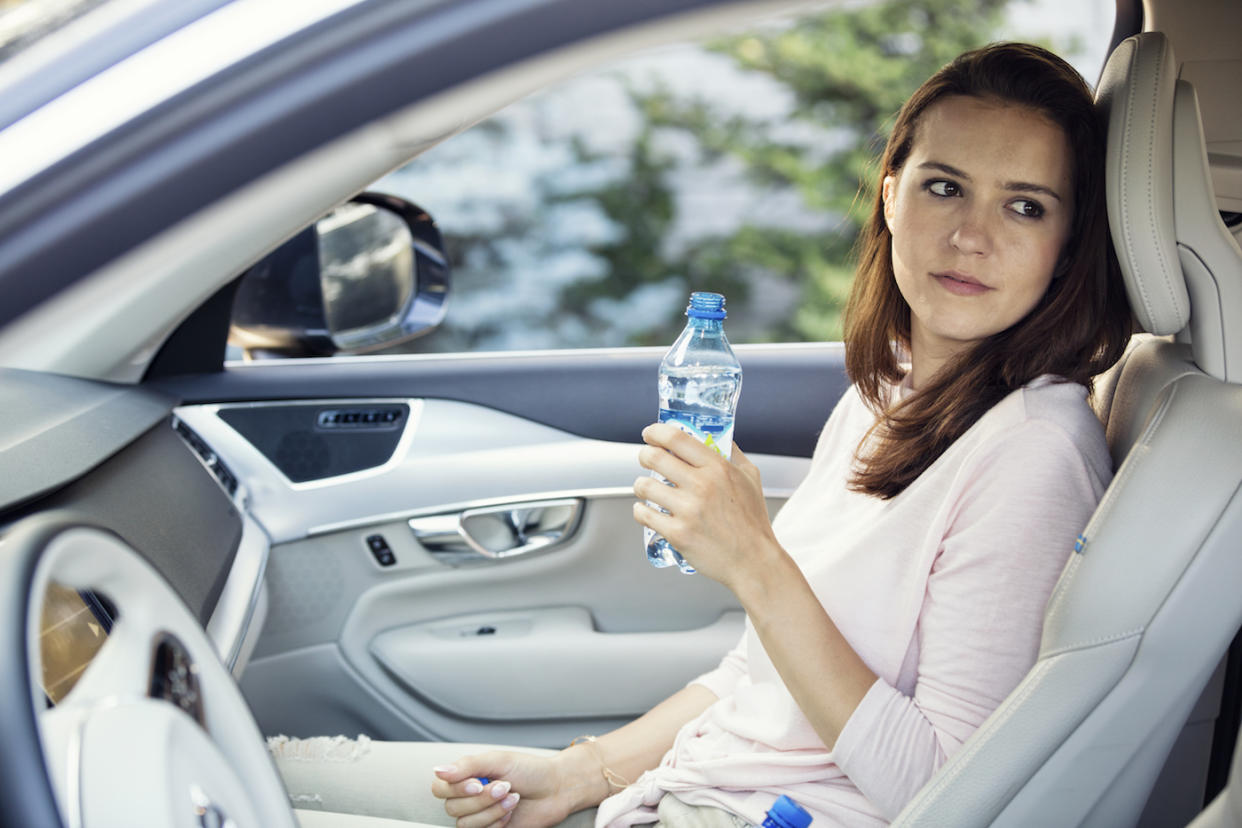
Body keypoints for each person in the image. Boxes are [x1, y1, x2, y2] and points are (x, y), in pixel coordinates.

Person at [269, 41, 1131, 828]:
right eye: (945, 186)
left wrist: (755, 561)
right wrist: (584, 771)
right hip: (684, 793)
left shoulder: (1031, 453)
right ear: (891, 193)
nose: (971, 235)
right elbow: (759, 682)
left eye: (1024, 206)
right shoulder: (893, 392)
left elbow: (946, 791)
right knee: (268, 777)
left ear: (1066, 242)